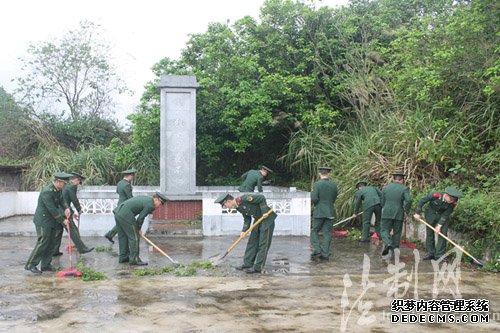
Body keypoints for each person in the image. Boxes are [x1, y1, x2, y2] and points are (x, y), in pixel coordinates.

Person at [215, 193, 277, 273]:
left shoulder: (244, 199)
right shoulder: (238, 207)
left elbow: (261, 198)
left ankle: (258, 267)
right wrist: (243, 231)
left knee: (263, 244)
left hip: (267, 219)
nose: (226, 207)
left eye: (225, 205)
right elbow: (247, 218)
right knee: (252, 242)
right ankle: (247, 264)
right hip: (258, 220)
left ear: (228, 201)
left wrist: (265, 211)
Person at [25, 172, 72, 274]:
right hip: (43, 221)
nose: (65, 185)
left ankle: (46, 265)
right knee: (43, 242)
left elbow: (62, 201)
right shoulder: (47, 191)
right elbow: (52, 209)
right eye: (64, 183)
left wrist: (66, 208)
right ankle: (31, 264)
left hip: (52, 221)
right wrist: (62, 220)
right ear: (58, 182)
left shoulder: (58, 190)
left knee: (51, 243)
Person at [113, 192, 167, 265]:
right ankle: (134, 259)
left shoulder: (147, 199)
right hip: (126, 214)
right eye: (160, 204)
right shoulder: (150, 205)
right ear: (156, 199)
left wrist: (138, 228)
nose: (158, 206)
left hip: (118, 212)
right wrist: (138, 229)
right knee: (134, 237)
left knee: (123, 236)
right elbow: (141, 217)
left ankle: (123, 257)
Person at [414, 186, 463, 260]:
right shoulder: (435, 195)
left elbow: (447, 213)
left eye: (453, 200)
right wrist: (417, 213)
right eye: (451, 199)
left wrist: (439, 225)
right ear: (446, 195)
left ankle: (439, 255)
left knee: (443, 234)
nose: (451, 201)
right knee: (430, 233)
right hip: (431, 214)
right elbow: (422, 201)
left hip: (442, 216)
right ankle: (430, 253)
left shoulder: (454, 202)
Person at [59, 172, 94, 254]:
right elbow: (74, 199)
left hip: (62, 210)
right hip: (64, 212)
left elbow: (65, 201)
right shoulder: (72, 187)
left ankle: (55, 251)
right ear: (76, 180)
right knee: (73, 230)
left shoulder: (67, 186)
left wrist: (73, 212)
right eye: (79, 181)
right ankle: (81, 248)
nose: (79, 184)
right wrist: (79, 209)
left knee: (58, 231)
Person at [380, 170, 412, 256]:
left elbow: (382, 201)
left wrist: (384, 207)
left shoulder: (386, 188)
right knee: (397, 232)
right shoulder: (404, 188)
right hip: (399, 213)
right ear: (402, 180)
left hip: (387, 212)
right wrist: (406, 210)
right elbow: (408, 201)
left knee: (384, 230)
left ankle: (388, 242)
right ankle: (395, 250)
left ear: (393, 179)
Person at [310, 167, 338, 261]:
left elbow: (314, 198)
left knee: (315, 231)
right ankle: (325, 253)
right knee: (327, 233)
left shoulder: (317, 184)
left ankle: (317, 249)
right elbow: (334, 198)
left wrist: (317, 204)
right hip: (330, 211)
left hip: (319, 211)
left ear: (320, 174)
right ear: (328, 174)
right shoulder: (334, 185)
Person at [105, 168, 136, 244]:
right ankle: (112, 235)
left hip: (119, 204)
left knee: (120, 223)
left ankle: (110, 234)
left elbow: (118, 192)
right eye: (132, 176)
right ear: (130, 176)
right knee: (123, 223)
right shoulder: (127, 185)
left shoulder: (120, 183)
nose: (132, 178)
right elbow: (130, 197)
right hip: (125, 206)